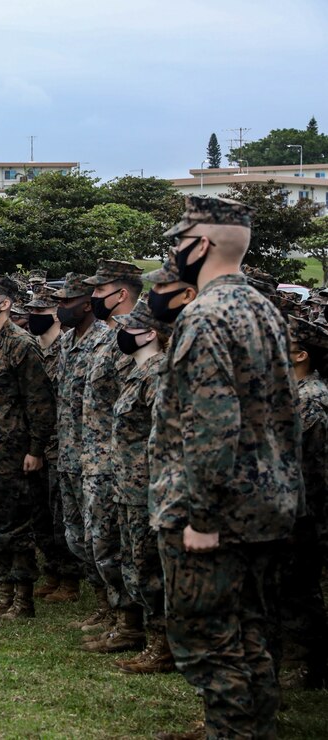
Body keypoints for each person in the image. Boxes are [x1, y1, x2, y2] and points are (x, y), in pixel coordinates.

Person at [154, 196, 302, 739]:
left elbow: (211, 426)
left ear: (202, 243)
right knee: (251, 631)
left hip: (218, 512)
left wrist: (202, 515)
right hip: (266, 503)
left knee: (210, 641)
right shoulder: (263, 308)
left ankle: (233, 730)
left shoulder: (205, 314)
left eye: (178, 240)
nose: (173, 252)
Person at [0, 272, 55, 619]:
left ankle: (22, 598)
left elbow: (39, 402)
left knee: (14, 528)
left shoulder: (21, 345)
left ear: (4, 304)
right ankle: (4, 592)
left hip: (12, 454)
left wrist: (35, 448)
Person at [79, 259, 144, 652]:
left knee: (116, 547)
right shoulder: (109, 334)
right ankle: (118, 618)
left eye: (100, 291)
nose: (93, 298)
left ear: (121, 294)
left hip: (119, 462)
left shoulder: (136, 335)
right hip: (96, 458)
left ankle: (132, 626)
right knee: (100, 544)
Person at [108, 299, 174, 672]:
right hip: (128, 486)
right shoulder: (138, 371)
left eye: (130, 327)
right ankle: (146, 637)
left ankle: (161, 647)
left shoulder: (158, 374)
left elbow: (162, 437)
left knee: (149, 569)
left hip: (147, 489)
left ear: (150, 333)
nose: (122, 334)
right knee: (135, 566)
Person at [51, 272, 110, 628]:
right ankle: (103, 605)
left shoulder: (107, 341)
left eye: (66, 301)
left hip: (96, 457)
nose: (60, 308)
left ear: (87, 304)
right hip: (68, 453)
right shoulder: (67, 341)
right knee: (76, 536)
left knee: (100, 537)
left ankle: (118, 613)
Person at [278, 316, 328, 689]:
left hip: (304, 514)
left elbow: (313, 466)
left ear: (300, 355)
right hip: (285, 510)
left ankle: (310, 664)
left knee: (300, 590)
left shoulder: (311, 398)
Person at [24, 287, 81, 602]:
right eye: (31, 312)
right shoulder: (33, 348)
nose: (34, 318)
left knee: (62, 518)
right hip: (37, 444)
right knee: (40, 515)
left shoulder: (66, 349)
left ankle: (70, 580)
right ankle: (53, 572)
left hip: (62, 447)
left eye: (40, 313)